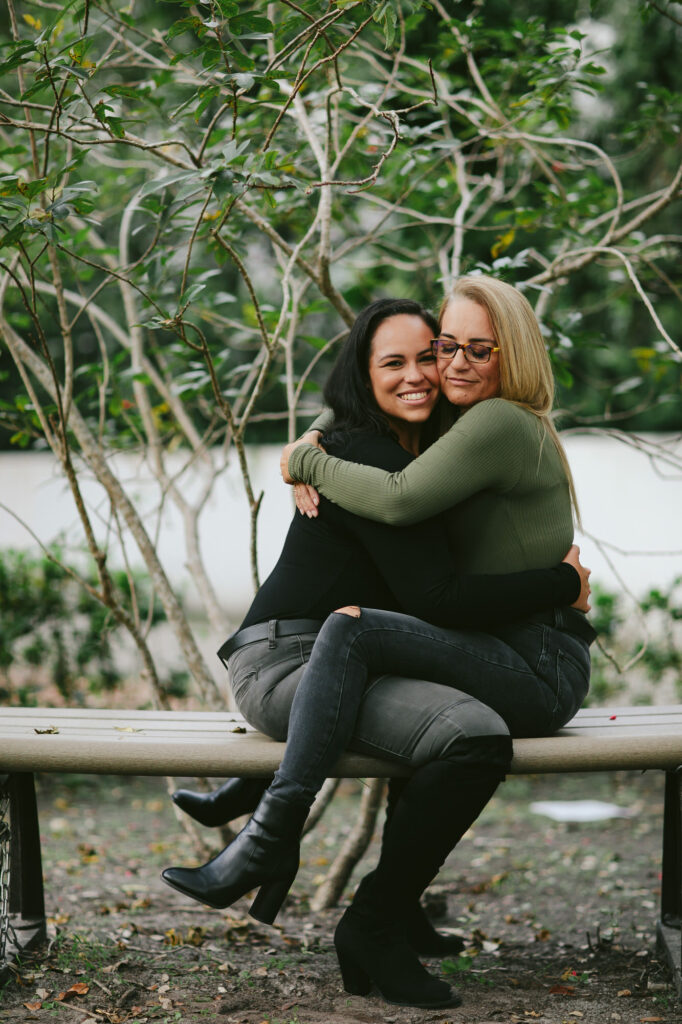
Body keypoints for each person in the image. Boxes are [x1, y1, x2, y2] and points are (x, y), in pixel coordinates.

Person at [163, 289, 592, 1010]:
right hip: (301, 660)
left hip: (468, 659)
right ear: (368, 374)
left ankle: (321, 868)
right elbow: (374, 447)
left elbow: (405, 519)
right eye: (435, 349)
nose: (439, 367)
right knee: (393, 659)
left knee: (380, 644)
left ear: (511, 352)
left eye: (458, 350)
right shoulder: (408, 436)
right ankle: (308, 862)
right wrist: (309, 448)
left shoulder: (464, 429)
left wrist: (309, 457)